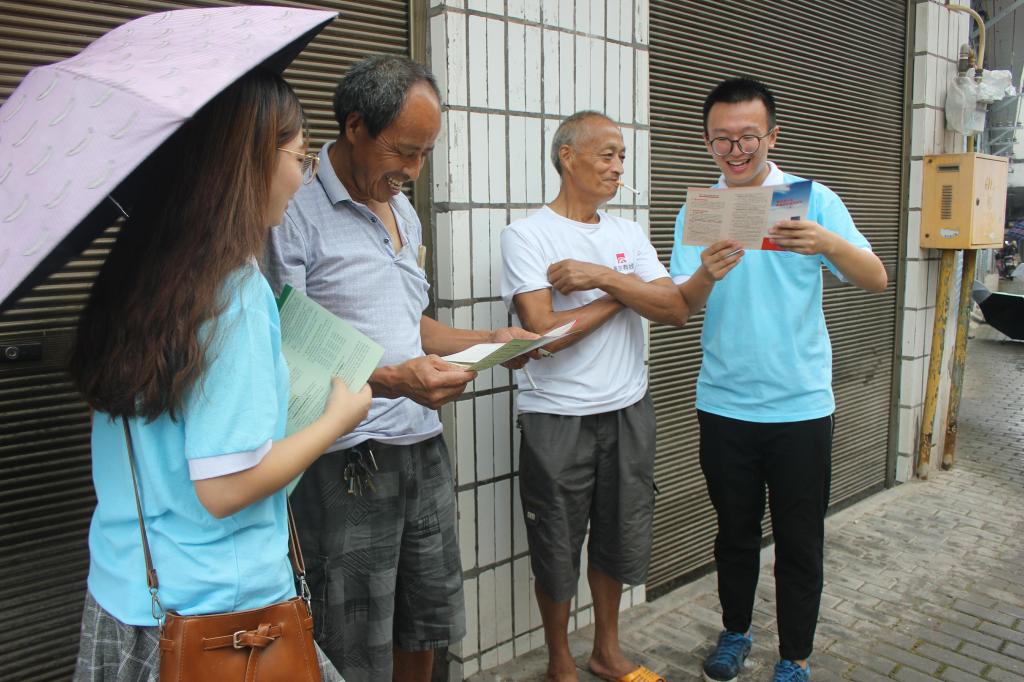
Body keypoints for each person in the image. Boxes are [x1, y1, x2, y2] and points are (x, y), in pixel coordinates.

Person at [68, 69, 371, 682]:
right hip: (222, 621)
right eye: (300, 157)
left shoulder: (133, 276)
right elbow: (225, 488)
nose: (302, 178)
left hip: (130, 593)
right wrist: (336, 420)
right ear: (250, 161)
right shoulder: (233, 292)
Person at [264, 54, 536, 682]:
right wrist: (392, 381)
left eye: (425, 154)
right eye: (403, 152)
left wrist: (492, 340)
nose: (413, 171)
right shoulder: (292, 210)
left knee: (426, 615)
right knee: (352, 635)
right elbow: (287, 348)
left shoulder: (402, 210)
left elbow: (412, 325)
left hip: (422, 446)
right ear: (355, 126)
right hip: (346, 456)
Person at [500, 110, 737, 682]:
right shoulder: (526, 234)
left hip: (629, 408)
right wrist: (626, 294)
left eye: (622, 156)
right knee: (556, 541)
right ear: (567, 157)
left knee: (618, 534)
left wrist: (603, 277)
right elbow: (544, 333)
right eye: (606, 154)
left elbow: (674, 309)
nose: (617, 167)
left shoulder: (627, 234)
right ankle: (560, 661)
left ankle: (606, 651)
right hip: (557, 415)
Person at [669, 78, 887, 682]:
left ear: (772, 136)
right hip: (724, 403)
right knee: (734, 533)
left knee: (799, 539)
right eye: (721, 140)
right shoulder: (700, 209)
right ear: (707, 142)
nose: (735, 151)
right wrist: (706, 273)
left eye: (747, 137)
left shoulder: (812, 201)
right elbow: (681, 301)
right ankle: (735, 633)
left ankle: (795, 656)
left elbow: (875, 277)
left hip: (801, 406)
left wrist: (826, 242)